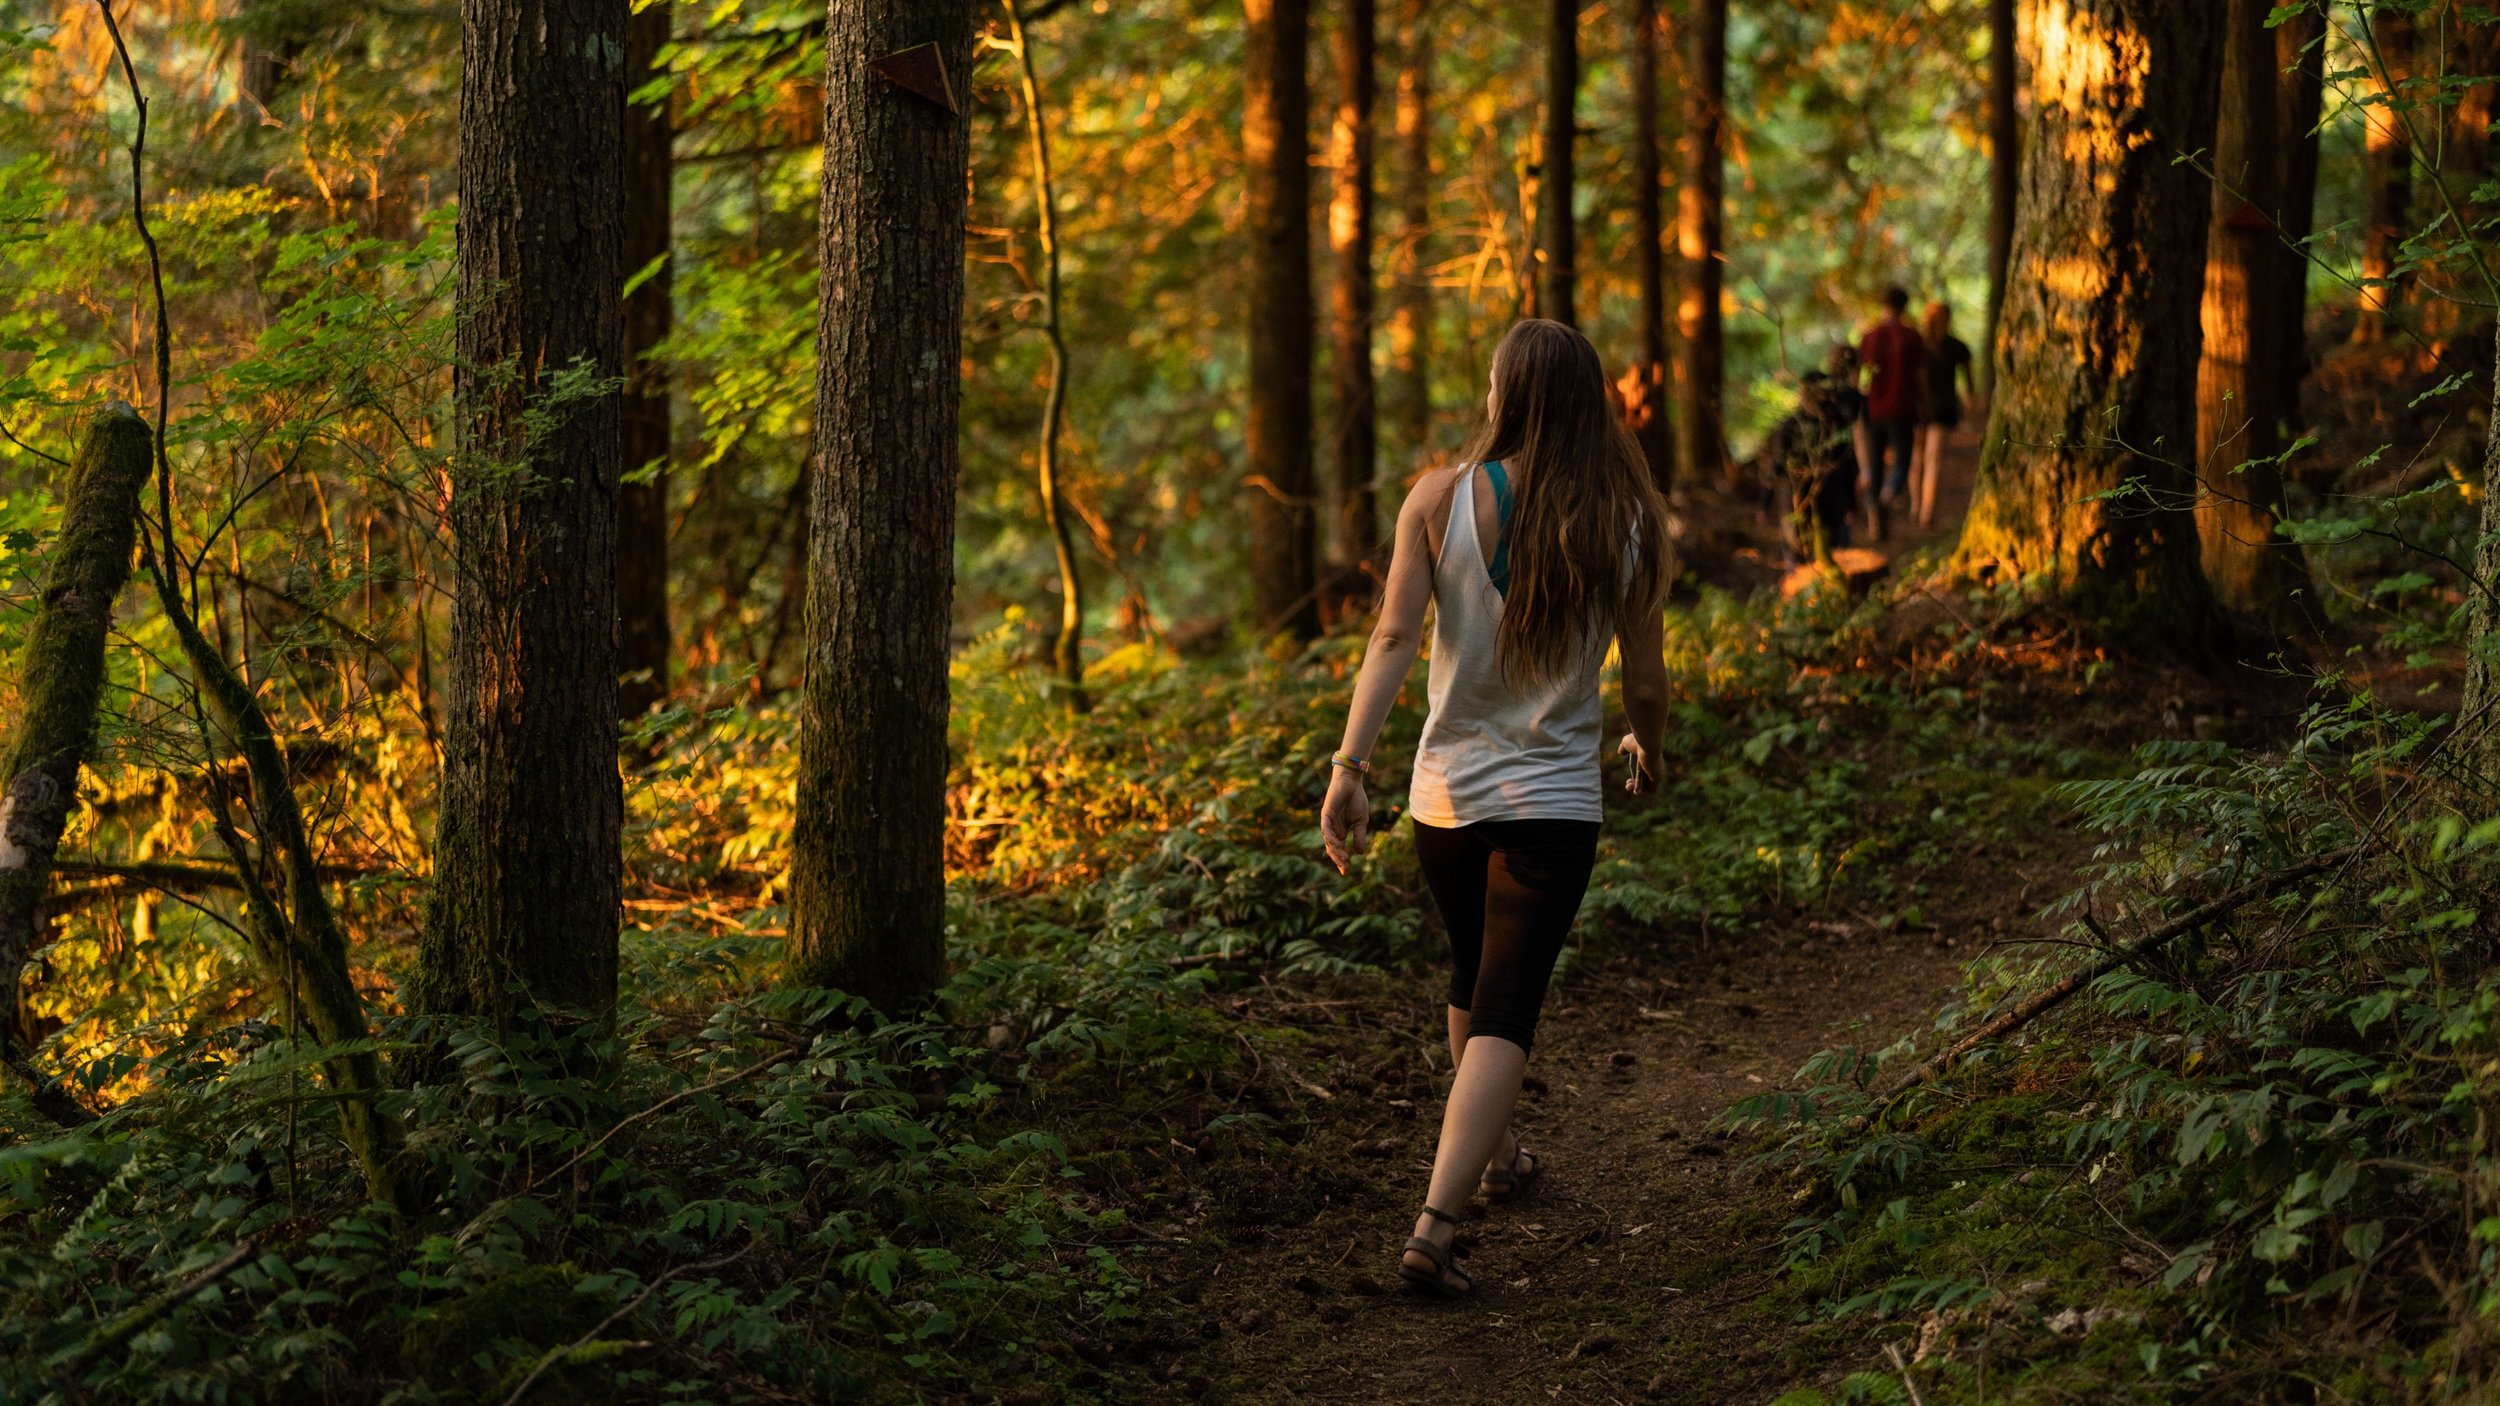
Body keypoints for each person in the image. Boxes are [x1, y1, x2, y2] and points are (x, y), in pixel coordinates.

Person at [1317, 319, 1671, 1300]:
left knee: (1473, 974)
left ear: (1504, 394)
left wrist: (1351, 764)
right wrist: (1649, 740)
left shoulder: (1435, 499)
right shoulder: (1626, 518)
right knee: (1505, 1006)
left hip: (1445, 800)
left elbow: (1392, 638)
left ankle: (1499, 1155)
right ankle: (1434, 1222)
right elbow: (1644, 678)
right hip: (1552, 803)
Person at [1856, 286, 1927, 532]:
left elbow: (1858, 374)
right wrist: (1924, 403)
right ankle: (1888, 494)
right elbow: (1920, 376)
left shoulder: (1870, 336)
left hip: (1874, 407)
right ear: (1904, 306)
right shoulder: (1912, 337)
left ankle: (1874, 508)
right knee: (1902, 460)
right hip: (1903, 407)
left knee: (1875, 462)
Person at [1912, 301, 1974, 528]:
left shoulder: (1929, 345)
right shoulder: (1951, 346)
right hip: (1932, 409)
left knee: (1922, 460)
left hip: (1928, 409)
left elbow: (1968, 383)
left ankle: (1921, 509)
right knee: (1929, 460)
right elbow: (1969, 384)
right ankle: (1923, 510)